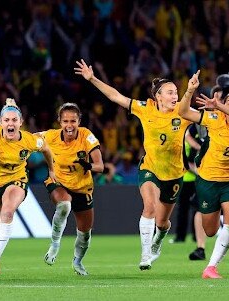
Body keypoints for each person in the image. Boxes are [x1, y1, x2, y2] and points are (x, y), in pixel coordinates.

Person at [75, 59, 194, 270]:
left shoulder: (183, 112)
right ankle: (145, 254)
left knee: (163, 222)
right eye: (170, 92)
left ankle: (158, 240)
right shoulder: (145, 108)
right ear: (157, 97)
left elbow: (209, 119)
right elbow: (115, 96)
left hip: (174, 173)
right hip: (150, 168)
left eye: (176, 92)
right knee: (149, 206)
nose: (175, 96)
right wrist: (92, 78)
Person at [0, 98, 56, 275]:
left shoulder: (30, 140)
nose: (10, 123)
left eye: (14, 120)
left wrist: (52, 170)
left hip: (17, 178)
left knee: (8, 211)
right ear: (1, 122)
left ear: (21, 122)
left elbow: (47, 149)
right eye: (7, 120)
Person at [42, 102, 107, 276]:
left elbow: (100, 166)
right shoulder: (50, 136)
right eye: (65, 121)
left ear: (79, 121)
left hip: (82, 188)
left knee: (85, 234)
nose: (69, 125)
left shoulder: (87, 136)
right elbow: (26, 138)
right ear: (59, 122)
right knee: (64, 204)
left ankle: (77, 262)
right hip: (59, 182)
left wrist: (88, 165)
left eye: (73, 121)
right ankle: (54, 245)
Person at [178, 74, 229, 278]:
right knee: (209, 230)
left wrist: (219, 104)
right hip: (208, 180)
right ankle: (219, 239)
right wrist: (190, 90)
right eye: (228, 101)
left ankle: (211, 267)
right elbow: (183, 111)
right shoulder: (214, 119)